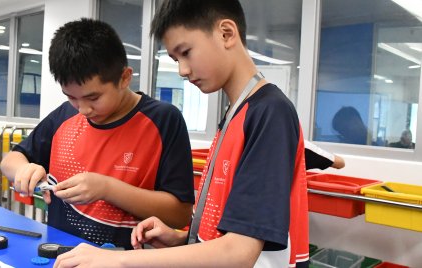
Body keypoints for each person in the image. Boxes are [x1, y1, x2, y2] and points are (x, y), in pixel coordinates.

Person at [53, 1, 310, 267]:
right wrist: (182, 239)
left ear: (226, 33)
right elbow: (229, 229)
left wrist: (119, 260)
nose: (183, 71)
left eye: (186, 52)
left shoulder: (269, 112)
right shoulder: (236, 114)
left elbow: (239, 253)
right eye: (176, 60)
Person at [0, 18, 195, 249]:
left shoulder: (163, 120)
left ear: (124, 78)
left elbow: (180, 214)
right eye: (71, 97)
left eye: (93, 98)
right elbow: (10, 160)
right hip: (62, 256)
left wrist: (106, 189)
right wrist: (23, 169)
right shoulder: (64, 116)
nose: (83, 109)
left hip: (127, 261)